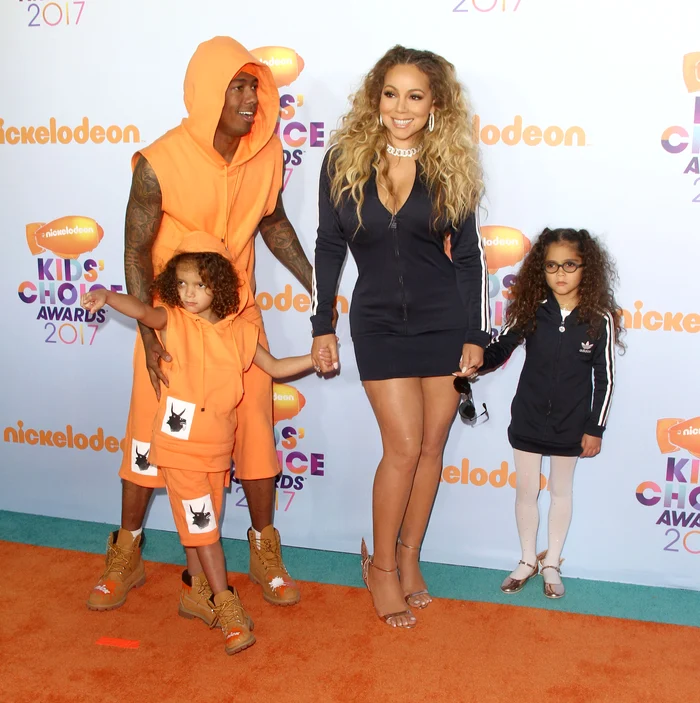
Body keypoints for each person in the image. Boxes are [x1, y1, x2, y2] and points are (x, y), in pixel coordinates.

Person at [87, 36, 315, 617]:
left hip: (238, 323)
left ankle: (265, 552)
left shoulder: (266, 153)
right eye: (237, 87)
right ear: (208, 93)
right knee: (148, 434)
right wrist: (148, 335)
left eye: (254, 86)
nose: (249, 99)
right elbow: (136, 251)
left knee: (256, 431)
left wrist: (317, 283)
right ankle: (127, 553)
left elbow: (274, 220)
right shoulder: (160, 161)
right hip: (173, 328)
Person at [310, 46, 490, 628]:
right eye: (391, 94)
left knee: (432, 447)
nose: (401, 107)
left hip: (444, 319)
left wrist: (474, 333)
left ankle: (410, 558)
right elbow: (329, 246)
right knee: (403, 447)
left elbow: (469, 259)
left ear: (434, 103)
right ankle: (380, 566)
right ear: (376, 98)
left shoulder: (449, 165)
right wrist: (323, 325)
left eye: (415, 96)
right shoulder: (343, 160)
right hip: (379, 321)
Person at [82, 233, 314, 654]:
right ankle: (227, 606)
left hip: (216, 452)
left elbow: (276, 366)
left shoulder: (241, 333)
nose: (189, 293)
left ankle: (194, 596)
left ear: (219, 287)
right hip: (178, 451)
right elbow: (143, 310)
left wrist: (315, 360)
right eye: (182, 283)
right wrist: (108, 295)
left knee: (200, 524)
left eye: (199, 285)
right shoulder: (172, 320)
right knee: (204, 530)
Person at [476, 227, 623, 598]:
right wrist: (475, 363)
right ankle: (527, 559)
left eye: (569, 265)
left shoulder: (599, 318)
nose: (560, 274)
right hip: (527, 415)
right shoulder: (531, 310)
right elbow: (500, 349)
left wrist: (596, 428)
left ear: (585, 268)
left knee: (561, 492)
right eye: (552, 266)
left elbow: (605, 380)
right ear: (541, 270)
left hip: (572, 423)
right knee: (526, 491)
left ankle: (552, 561)